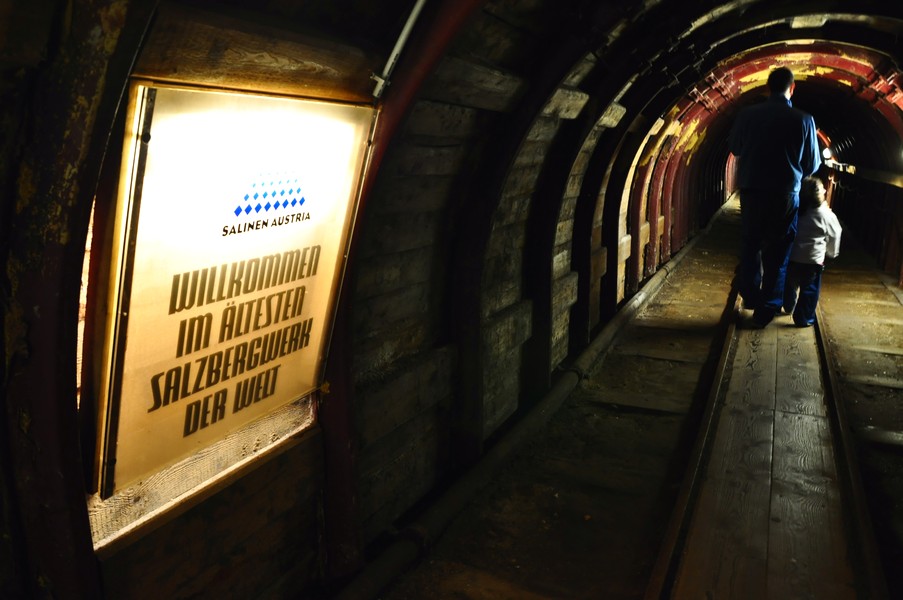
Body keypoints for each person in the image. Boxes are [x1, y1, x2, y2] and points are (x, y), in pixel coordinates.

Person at [728, 66, 822, 328]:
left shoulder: (747, 115)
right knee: (778, 254)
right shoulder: (804, 120)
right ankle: (767, 309)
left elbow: (735, 147)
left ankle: (750, 295)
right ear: (792, 89)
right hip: (784, 195)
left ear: (767, 87)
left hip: (752, 191)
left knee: (750, 246)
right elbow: (812, 164)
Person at [782, 176, 842, 327]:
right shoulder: (826, 215)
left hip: (793, 257)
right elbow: (835, 234)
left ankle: (788, 305)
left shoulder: (795, 210)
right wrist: (831, 252)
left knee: (789, 284)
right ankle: (803, 318)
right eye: (822, 188)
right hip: (813, 261)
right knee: (809, 290)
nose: (825, 189)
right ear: (819, 194)